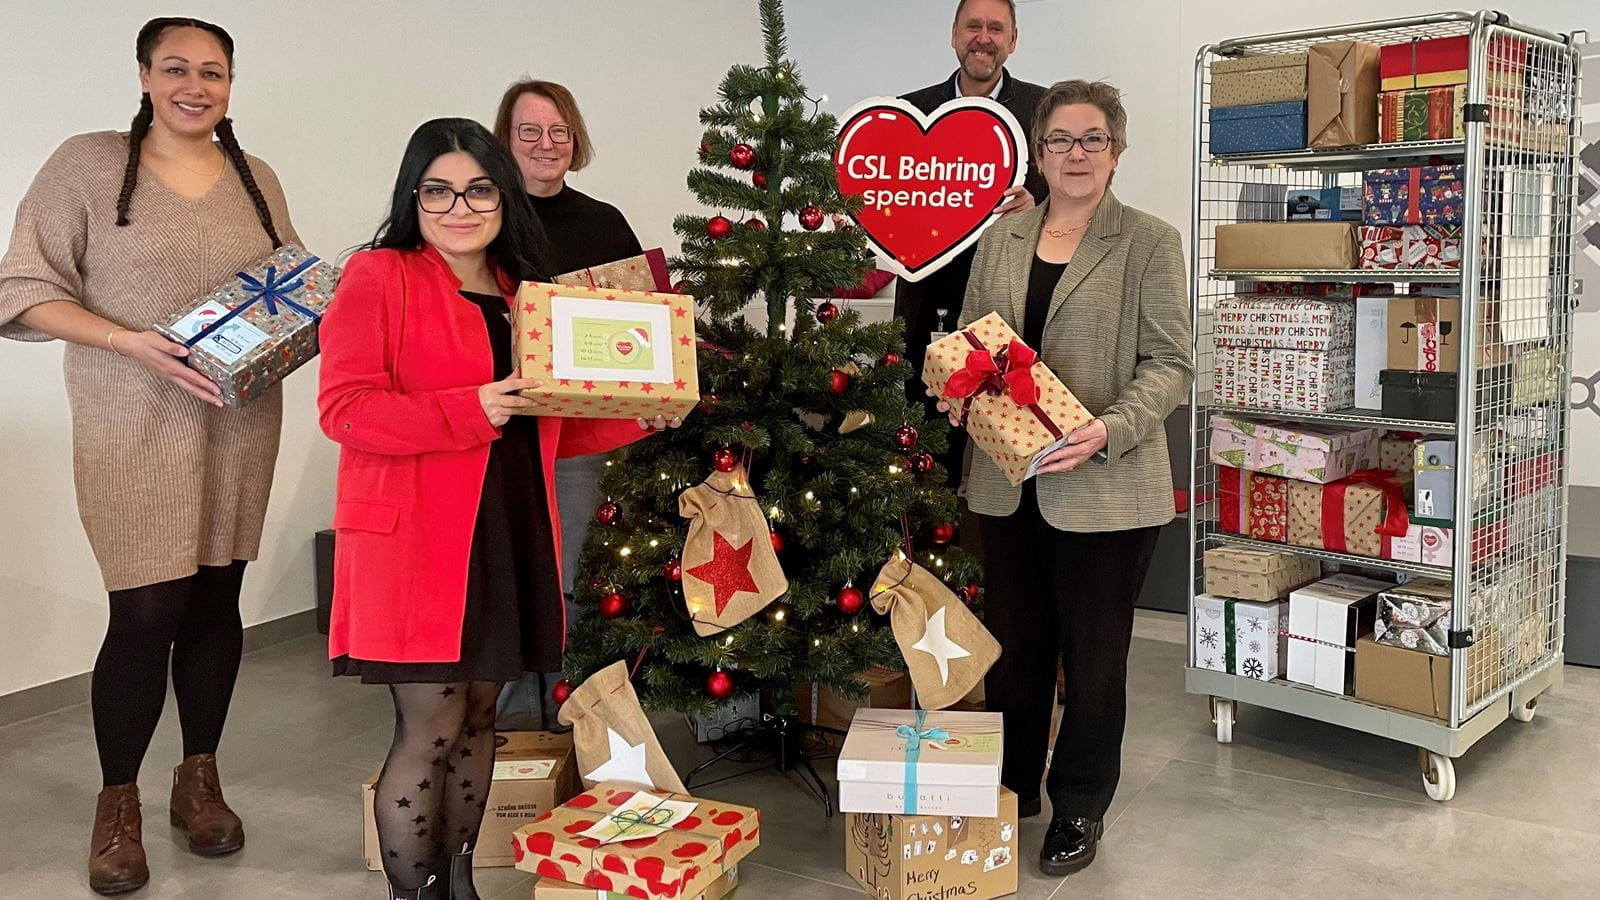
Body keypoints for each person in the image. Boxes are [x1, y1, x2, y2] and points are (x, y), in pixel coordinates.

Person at [317, 117, 675, 900]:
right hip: (419, 540)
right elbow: (345, 409)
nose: (459, 206)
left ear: (504, 197)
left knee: (483, 721)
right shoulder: (379, 276)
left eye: (479, 188)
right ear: (413, 196)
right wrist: (469, 405)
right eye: (438, 189)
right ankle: (415, 894)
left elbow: (547, 415)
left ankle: (459, 882)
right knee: (431, 728)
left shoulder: (524, 292)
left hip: (508, 527)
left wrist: (636, 415)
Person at [0, 18, 298, 895]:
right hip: (130, 420)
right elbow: (21, 288)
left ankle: (197, 777)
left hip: (239, 421)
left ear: (232, 84)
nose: (195, 86)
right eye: (176, 69)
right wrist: (127, 342)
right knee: (143, 612)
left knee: (217, 600)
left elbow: (289, 288)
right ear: (143, 76)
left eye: (213, 72)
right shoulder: (86, 164)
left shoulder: (257, 177)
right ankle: (117, 801)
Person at [940, 80, 1192, 875]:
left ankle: (1079, 802)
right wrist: (959, 393)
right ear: (1039, 150)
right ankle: (1013, 785)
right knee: (1015, 649)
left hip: (1107, 488)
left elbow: (1171, 362)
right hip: (1006, 481)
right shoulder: (1003, 236)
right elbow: (980, 347)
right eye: (1060, 140)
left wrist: (1107, 430)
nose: (1075, 154)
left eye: (1092, 140)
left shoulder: (1149, 240)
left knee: (1092, 658)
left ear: (1116, 151)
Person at [489, 80, 645, 732]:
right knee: (518, 571)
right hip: (502, 430)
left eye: (558, 131)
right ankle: (520, 713)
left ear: (574, 139)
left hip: (586, 437)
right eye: (530, 131)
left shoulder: (603, 222)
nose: (546, 144)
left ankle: (577, 709)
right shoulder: (481, 221)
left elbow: (644, 325)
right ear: (505, 140)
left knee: (580, 571)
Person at [897, 0, 1048, 487]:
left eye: (995, 28)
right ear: (955, 34)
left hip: (1017, 311)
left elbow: (1082, 187)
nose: (983, 37)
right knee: (925, 458)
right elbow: (882, 195)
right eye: (973, 26)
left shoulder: (1047, 112)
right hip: (927, 312)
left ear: (1013, 39)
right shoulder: (907, 113)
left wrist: (1039, 199)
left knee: (1015, 458)